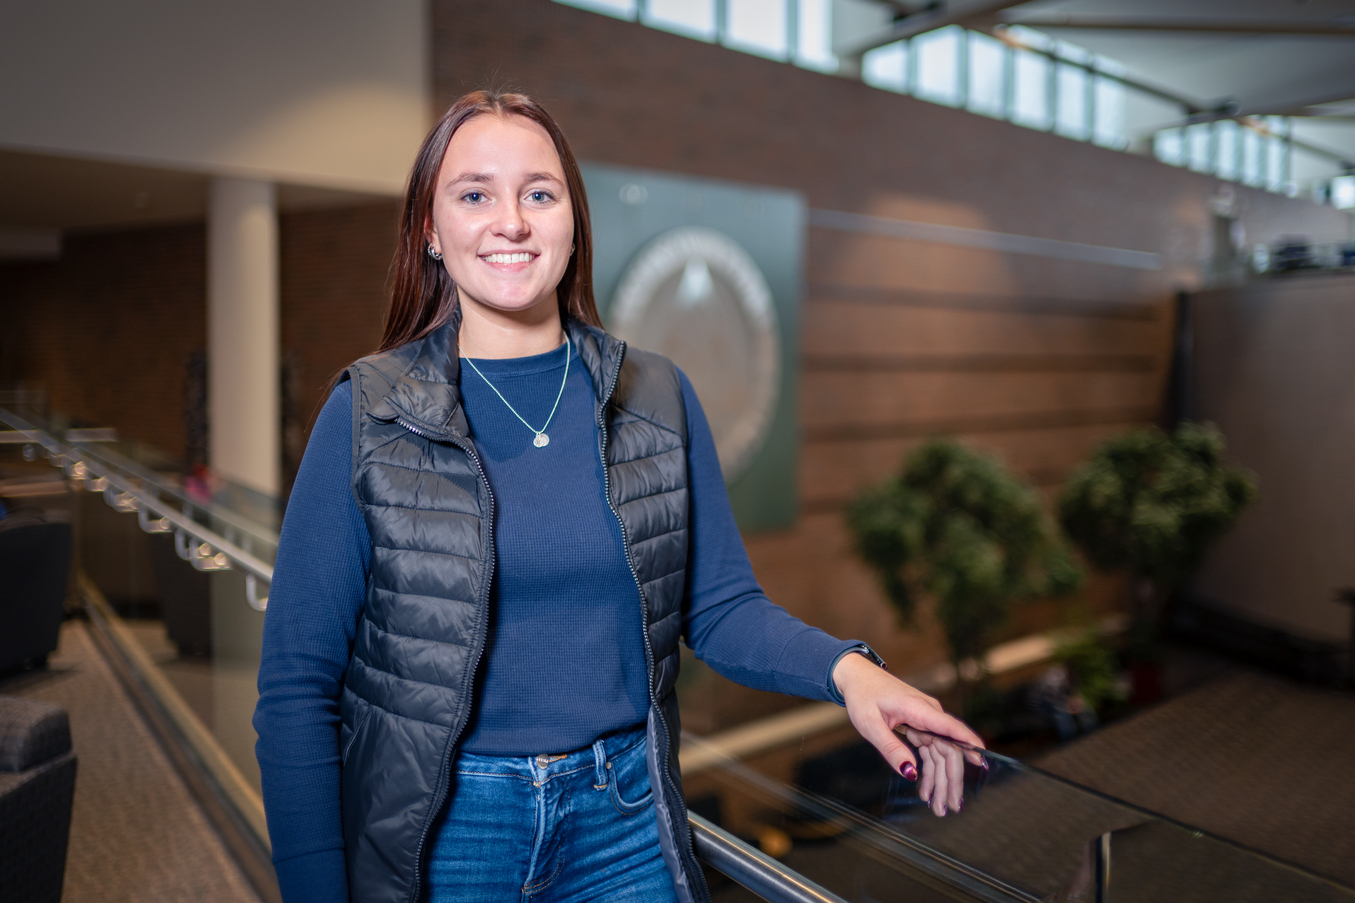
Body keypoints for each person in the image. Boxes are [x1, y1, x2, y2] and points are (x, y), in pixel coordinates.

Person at [253, 90, 986, 903]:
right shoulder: (369, 412)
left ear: (572, 219)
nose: (511, 222)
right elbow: (295, 688)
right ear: (430, 230)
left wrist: (852, 673)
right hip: (449, 831)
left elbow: (719, 607)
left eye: (539, 192)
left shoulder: (655, 394)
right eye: (473, 194)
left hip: (624, 819)